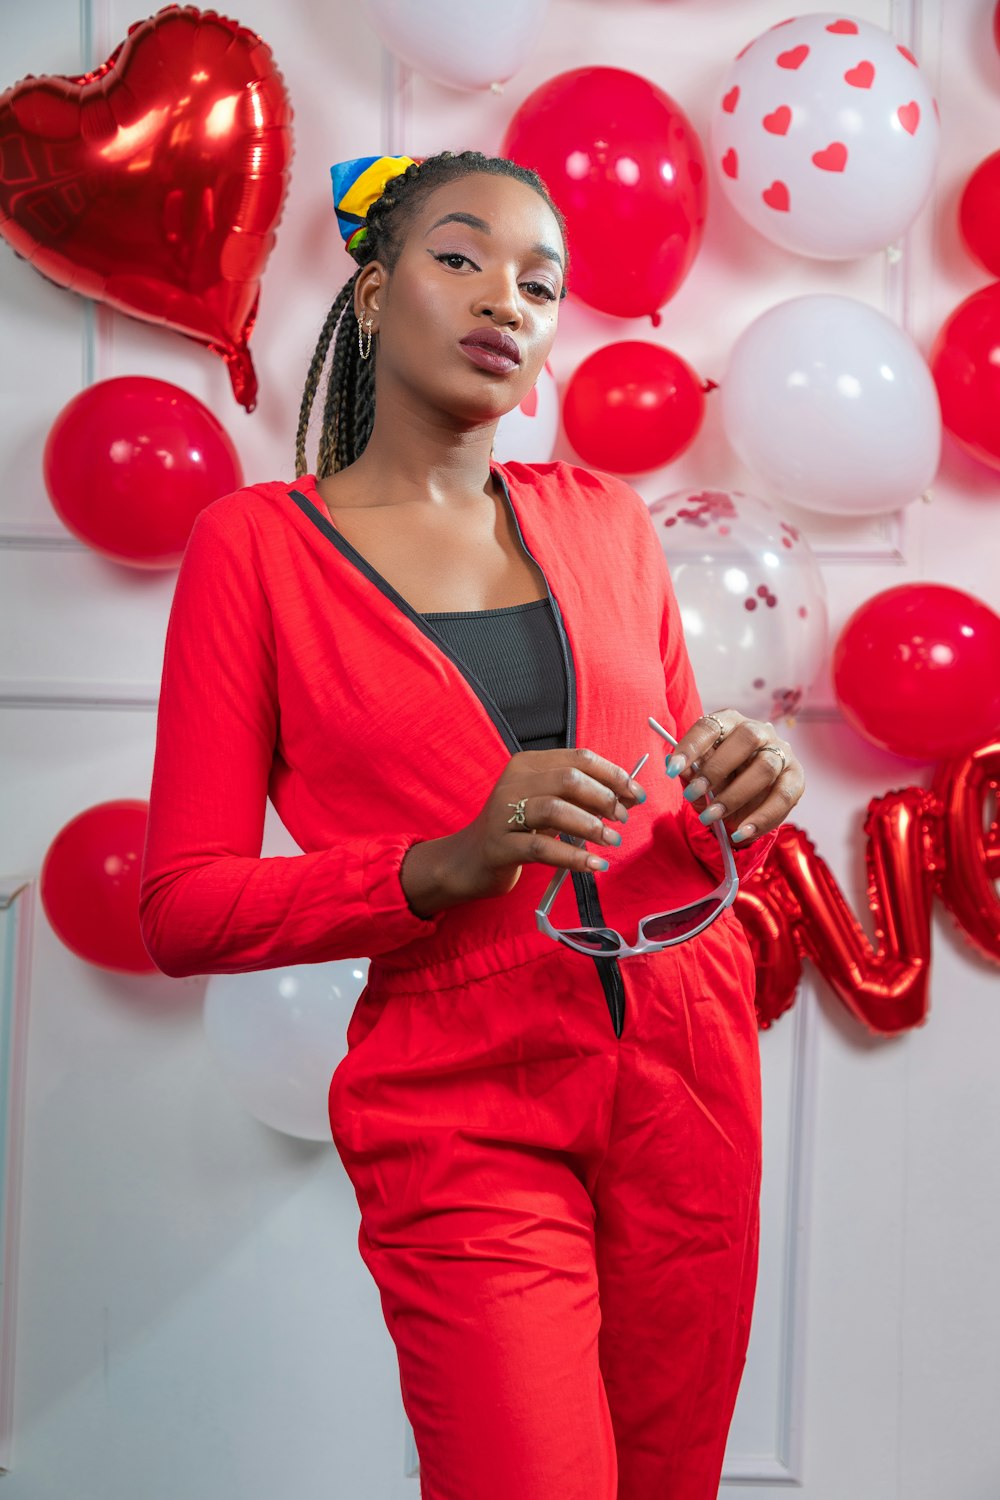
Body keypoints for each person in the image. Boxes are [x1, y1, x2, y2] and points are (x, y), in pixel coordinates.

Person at [139, 148, 805, 1500]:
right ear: (375, 295)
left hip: (690, 1076)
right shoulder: (254, 550)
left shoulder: (607, 521)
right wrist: (442, 865)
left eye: (542, 282)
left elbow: (680, 808)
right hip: (462, 1106)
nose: (507, 297)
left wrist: (748, 796)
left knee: (666, 1482)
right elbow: (182, 906)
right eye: (462, 257)